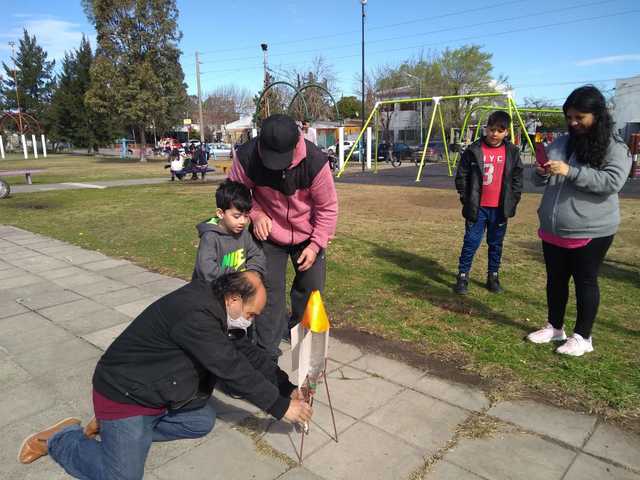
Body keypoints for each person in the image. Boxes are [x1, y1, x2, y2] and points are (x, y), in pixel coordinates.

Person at [18, 271, 313, 478]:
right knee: (122, 476)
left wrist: (285, 388)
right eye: (252, 314)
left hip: (154, 392)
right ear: (234, 298)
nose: (251, 321)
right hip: (124, 394)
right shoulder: (197, 315)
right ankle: (61, 439)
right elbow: (231, 368)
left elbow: (246, 355)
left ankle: (118, 431)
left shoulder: (216, 304)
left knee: (201, 421)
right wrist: (281, 408)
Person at [526, 85, 631, 356]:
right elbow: (542, 179)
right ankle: (554, 327)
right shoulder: (561, 142)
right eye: (569, 117)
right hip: (553, 228)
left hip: (591, 229)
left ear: (596, 115)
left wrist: (571, 171)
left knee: (585, 281)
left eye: (579, 117)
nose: (573, 123)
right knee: (556, 280)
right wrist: (540, 172)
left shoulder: (614, 146)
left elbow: (612, 182)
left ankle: (583, 336)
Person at [229, 113, 338, 360]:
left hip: (307, 236)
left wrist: (316, 243)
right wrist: (255, 214)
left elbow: (327, 208)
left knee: (310, 292)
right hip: (267, 236)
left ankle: (307, 353)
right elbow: (234, 194)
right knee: (268, 294)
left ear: (296, 144)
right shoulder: (247, 157)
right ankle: (265, 356)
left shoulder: (315, 162)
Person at [454, 111, 524, 295]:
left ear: (506, 132)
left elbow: (517, 179)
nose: (494, 134)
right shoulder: (473, 150)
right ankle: (462, 276)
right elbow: (462, 175)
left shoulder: (512, 152)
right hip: (478, 207)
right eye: (491, 129)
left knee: (496, 243)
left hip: (500, 209)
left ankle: (493, 276)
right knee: (471, 242)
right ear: (486, 129)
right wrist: (465, 197)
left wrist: (513, 200)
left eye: (499, 131)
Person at [192, 179, 266, 284]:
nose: (243, 221)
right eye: (237, 216)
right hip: (210, 293)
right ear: (220, 213)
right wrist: (239, 276)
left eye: (246, 216)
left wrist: (253, 273)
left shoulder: (244, 235)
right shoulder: (210, 237)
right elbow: (207, 271)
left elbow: (256, 255)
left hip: (236, 290)